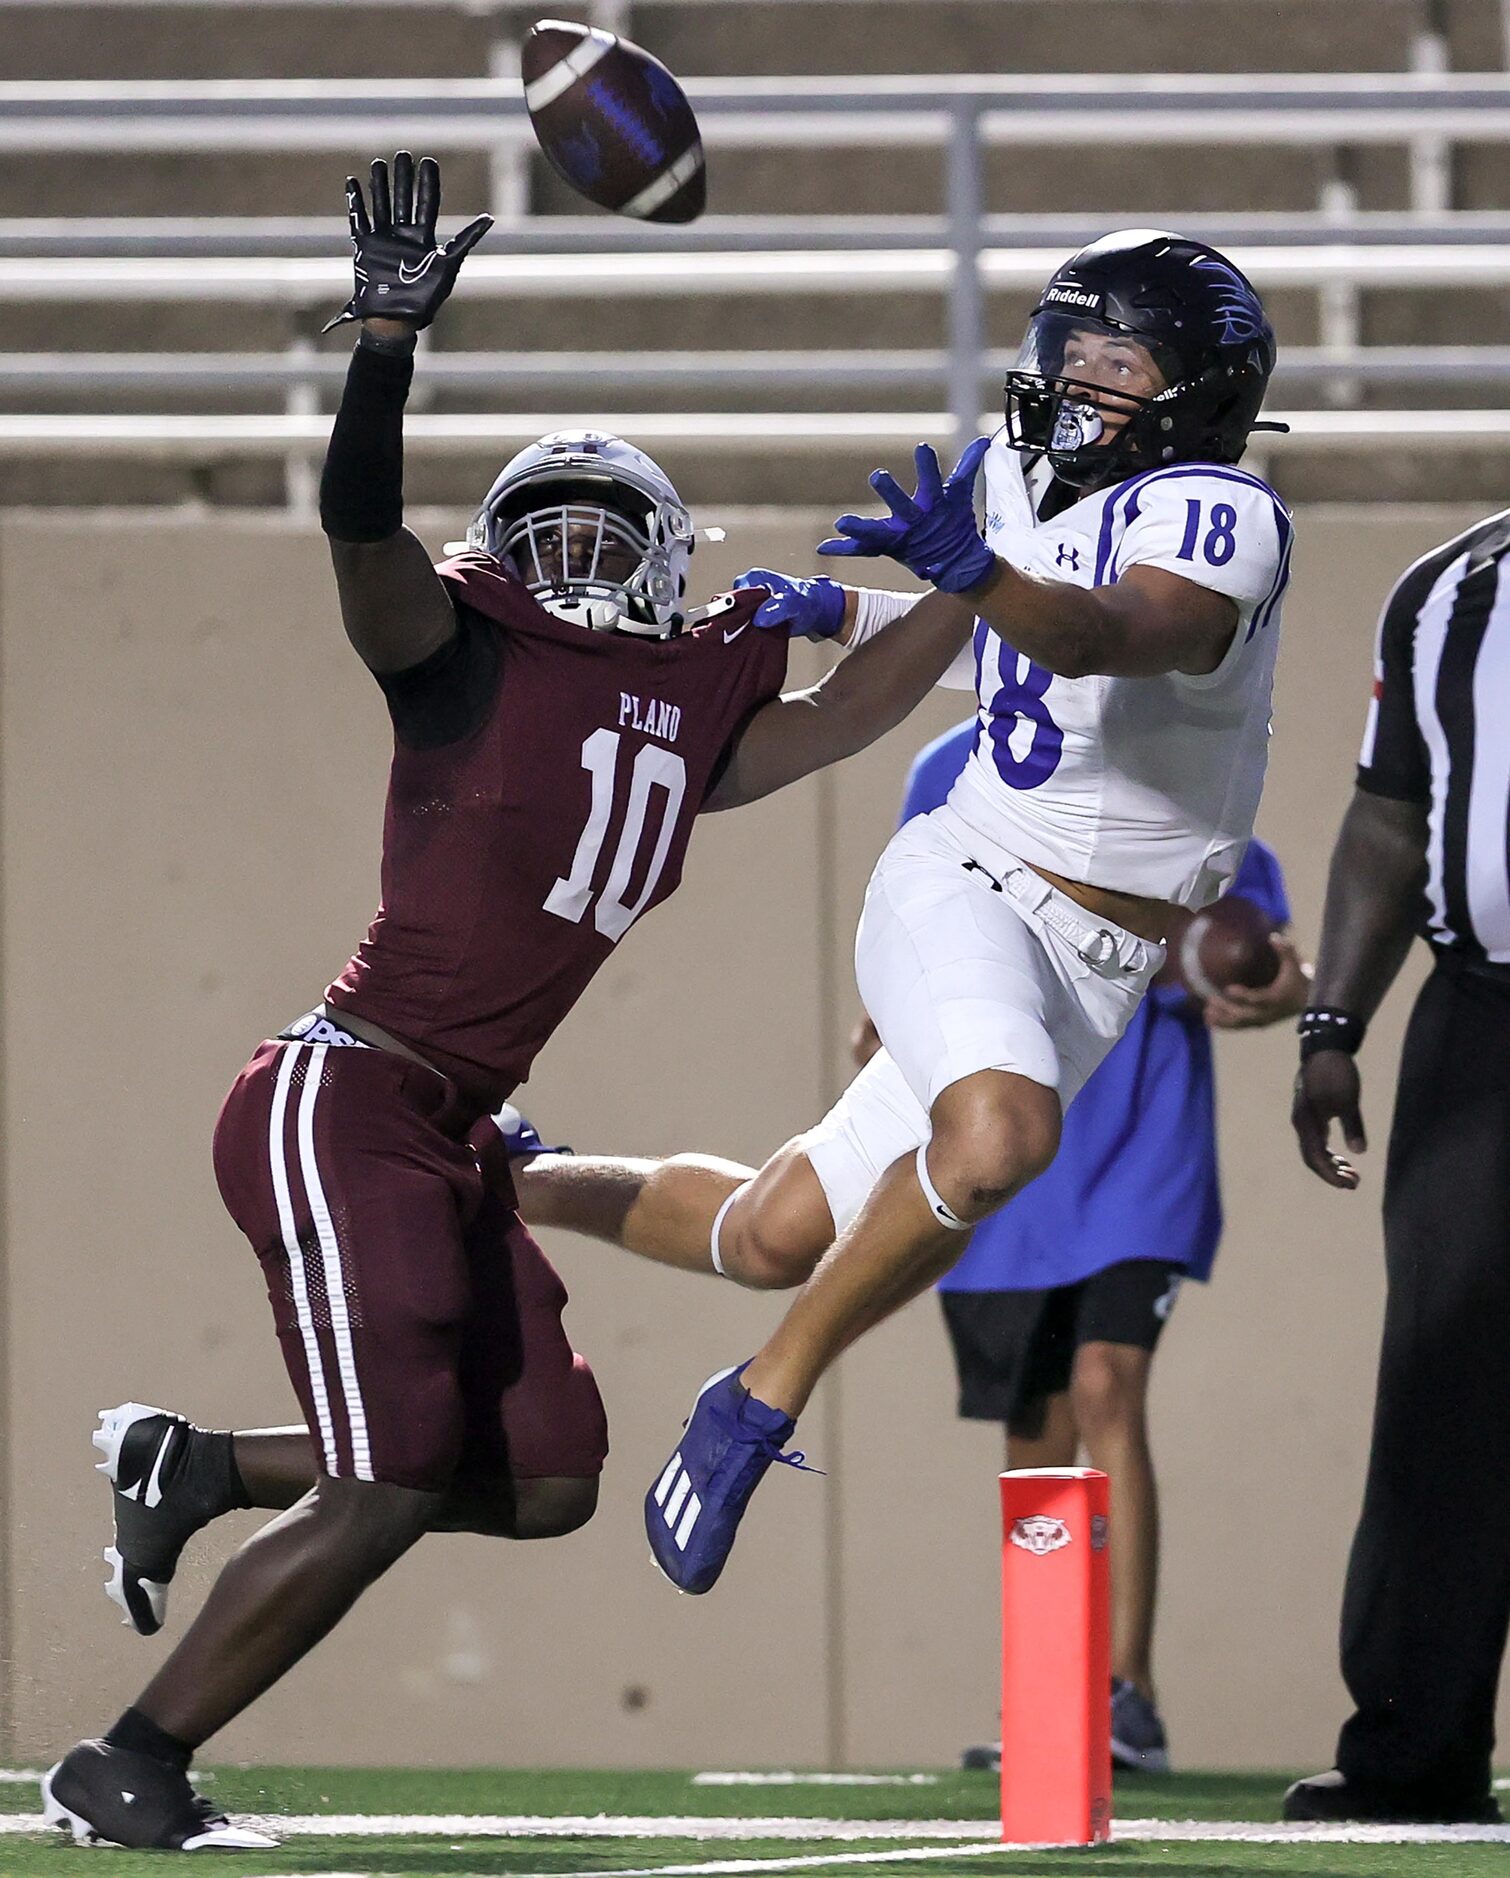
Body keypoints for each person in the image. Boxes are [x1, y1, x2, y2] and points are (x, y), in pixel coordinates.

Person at [41, 153, 974, 1854]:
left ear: (668, 558)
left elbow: (849, 720)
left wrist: (965, 578)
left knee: (544, 1475)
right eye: (544, 534)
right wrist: (384, 346)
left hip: (452, 1127)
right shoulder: (459, 646)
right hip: (346, 1095)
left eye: (606, 539)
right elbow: (357, 527)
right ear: (501, 554)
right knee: (391, 1477)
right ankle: (127, 1760)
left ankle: (194, 1467)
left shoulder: (695, 712)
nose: (571, 559)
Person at [510, 229, 1294, 1602]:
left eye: (1122, 363)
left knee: (770, 1234)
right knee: (998, 1138)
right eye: (1074, 354)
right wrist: (846, 609)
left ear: (1199, 392)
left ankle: (518, 1176)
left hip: (1096, 964)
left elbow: (1104, 635)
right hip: (973, 876)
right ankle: (755, 1401)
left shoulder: (1215, 513)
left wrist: (968, 575)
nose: (1081, 384)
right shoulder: (1016, 482)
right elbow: (999, 637)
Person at [880, 721, 1309, 1775]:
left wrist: (1281, 993)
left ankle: (1129, 1696)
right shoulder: (948, 769)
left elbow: (1264, 954)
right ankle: (1048, 1696)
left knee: (1108, 1385)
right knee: (1036, 1434)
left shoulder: (1192, 758)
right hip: (1008, 1136)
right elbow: (914, 932)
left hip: (1141, 1144)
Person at [1285, 507, 1510, 1828]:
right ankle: (1414, 1747)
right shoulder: (1448, 592)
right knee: (1443, 1388)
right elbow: (1385, 812)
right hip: (1481, 1018)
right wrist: (1331, 1027)